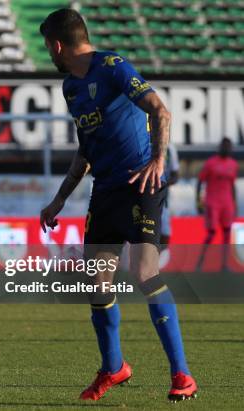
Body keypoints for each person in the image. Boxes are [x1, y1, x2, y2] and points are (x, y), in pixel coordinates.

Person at [38, 9, 197, 402]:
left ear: (57, 44)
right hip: (104, 191)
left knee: (145, 272)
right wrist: (59, 199)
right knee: (97, 283)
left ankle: (182, 375)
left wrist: (157, 161)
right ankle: (114, 368)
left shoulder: (113, 67)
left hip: (141, 184)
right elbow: (85, 150)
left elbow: (160, 110)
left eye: (48, 47)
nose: (49, 54)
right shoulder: (71, 89)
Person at [196, 137, 238, 271]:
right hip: (212, 202)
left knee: (227, 232)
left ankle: (224, 265)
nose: (227, 149)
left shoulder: (233, 164)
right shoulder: (211, 163)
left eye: (229, 147)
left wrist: (234, 203)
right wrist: (198, 201)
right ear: (220, 147)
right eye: (225, 146)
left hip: (227, 203)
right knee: (211, 233)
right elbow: (200, 181)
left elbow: (232, 185)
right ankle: (200, 263)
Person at [159, 144, 179, 263]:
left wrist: (164, 183)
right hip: (142, 197)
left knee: (165, 234)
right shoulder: (143, 141)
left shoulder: (170, 150)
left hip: (163, 199)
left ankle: (156, 259)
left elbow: (175, 175)